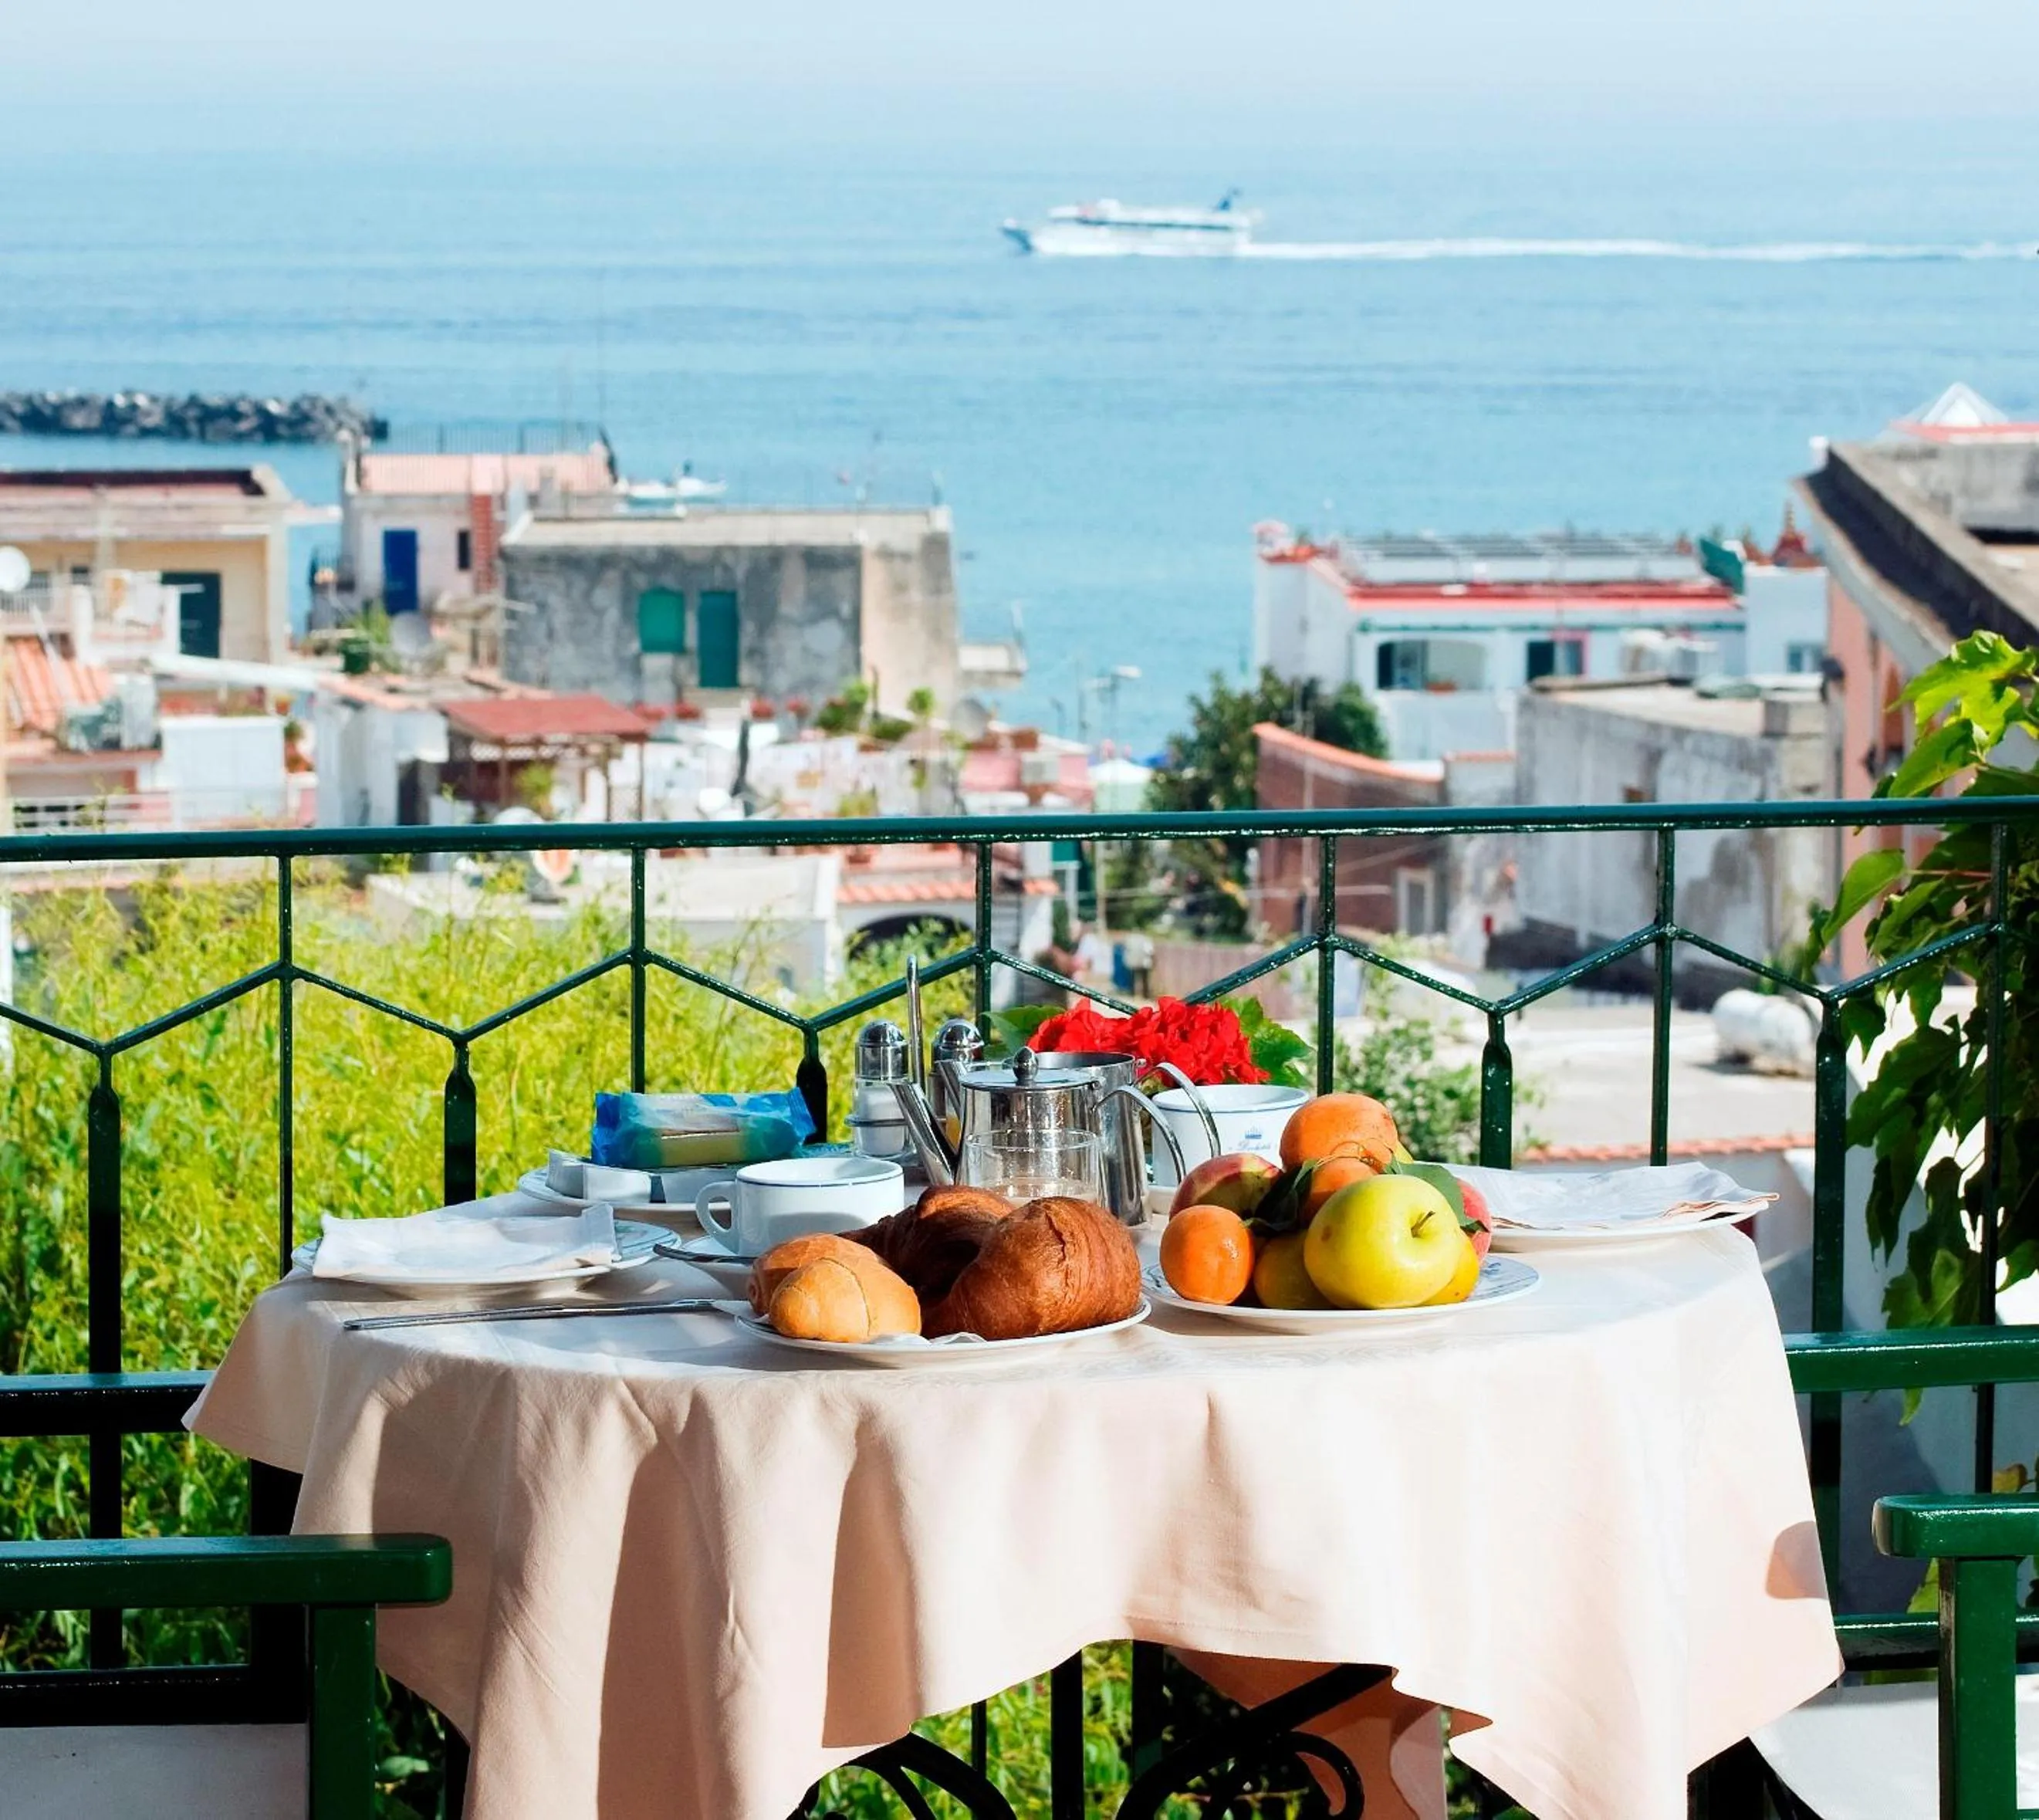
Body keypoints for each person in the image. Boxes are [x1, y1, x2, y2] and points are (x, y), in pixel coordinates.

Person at [1121, 929, 1155, 1000]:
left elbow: (1126, 950)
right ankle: (1145, 995)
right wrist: (1153, 961)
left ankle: (1133, 994)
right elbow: (1151, 952)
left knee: (1133, 979)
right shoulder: (1146, 940)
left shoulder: (1131, 940)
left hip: (1134, 962)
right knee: (1144, 979)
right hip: (1144, 963)